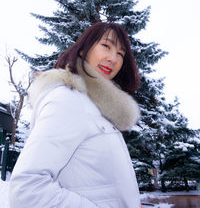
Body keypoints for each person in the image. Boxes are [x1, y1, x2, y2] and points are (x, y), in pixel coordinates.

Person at [9, 22, 142, 208]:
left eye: (121, 54)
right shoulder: (68, 100)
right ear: (83, 50)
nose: (113, 58)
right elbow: (27, 189)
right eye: (106, 46)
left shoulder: (94, 108)